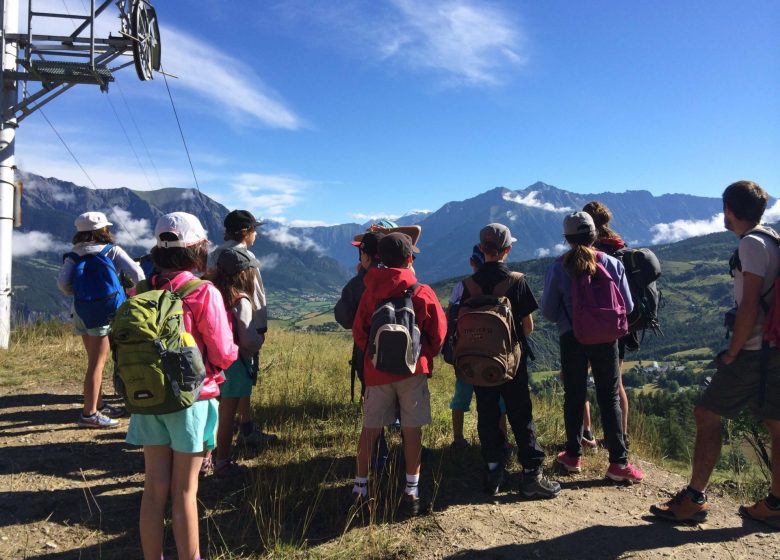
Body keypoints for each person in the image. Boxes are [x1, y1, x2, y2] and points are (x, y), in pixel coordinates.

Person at [651, 180, 780, 525]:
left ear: (728, 209)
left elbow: (749, 304)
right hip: (776, 348)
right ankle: (776, 505)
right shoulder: (774, 240)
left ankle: (693, 498)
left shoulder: (751, 244)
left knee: (706, 413)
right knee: (776, 424)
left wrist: (733, 352)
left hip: (755, 350)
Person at [125, 212, 238, 560]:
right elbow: (223, 351)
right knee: (185, 491)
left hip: (146, 399)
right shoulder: (202, 292)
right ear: (198, 248)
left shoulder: (141, 290)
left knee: (153, 489)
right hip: (191, 401)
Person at [541, 212, 644, 483]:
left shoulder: (557, 267)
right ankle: (618, 463)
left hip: (571, 337)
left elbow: (549, 311)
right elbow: (629, 307)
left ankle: (573, 455)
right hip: (606, 339)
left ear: (567, 239)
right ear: (594, 234)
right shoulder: (611, 263)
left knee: (574, 395)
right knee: (609, 396)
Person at [461, 224, 561, 498]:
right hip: (511, 361)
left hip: (479, 362)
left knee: (487, 413)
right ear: (508, 249)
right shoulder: (516, 281)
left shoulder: (467, 284)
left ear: (482, 249)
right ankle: (531, 474)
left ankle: (493, 471)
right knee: (520, 413)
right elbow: (527, 327)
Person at [351, 232, 446, 516]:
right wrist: (422, 356)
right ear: (409, 259)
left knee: (370, 430)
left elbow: (359, 332)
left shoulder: (371, 290)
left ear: (379, 258)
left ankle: (360, 489)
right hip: (412, 371)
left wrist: (374, 357)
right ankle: (411, 491)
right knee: (411, 430)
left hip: (377, 374)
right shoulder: (422, 291)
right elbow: (439, 334)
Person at [57, 211, 144, 428]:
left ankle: (99, 403)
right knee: (98, 364)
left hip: (81, 311)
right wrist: (134, 292)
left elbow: (63, 284)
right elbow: (137, 273)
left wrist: (80, 293)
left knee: (92, 360)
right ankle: (90, 414)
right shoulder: (111, 250)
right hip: (105, 313)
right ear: (102, 230)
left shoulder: (73, 255)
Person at [208, 209, 275, 447]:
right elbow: (257, 296)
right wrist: (261, 328)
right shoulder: (246, 259)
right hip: (244, 332)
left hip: (217, 332)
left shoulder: (214, 255)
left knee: (221, 386)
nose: (256, 234)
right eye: (254, 229)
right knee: (243, 378)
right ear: (246, 232)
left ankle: (234, 430)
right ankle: (241, 431)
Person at [207, 247, 265, 478]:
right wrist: (259, 339)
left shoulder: (211, 293)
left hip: (211, 363)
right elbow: (249, 338)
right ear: (244, 274)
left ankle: (203, 458)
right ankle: (222, 461)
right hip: (235, 365)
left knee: (210, 412)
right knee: (227, 417)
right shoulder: (239, 300)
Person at [581, 201, 634, 449]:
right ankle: (621, 436)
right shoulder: (619, 246)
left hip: (588, 325)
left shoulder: (589, 250)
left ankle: (586, 432)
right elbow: (628, 302)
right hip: (618, 327)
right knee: (616, 383)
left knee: (577, 378)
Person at [446, 244, 509, 450]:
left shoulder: (462, 287)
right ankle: (502, 440)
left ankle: (458, 439)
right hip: (494, 352)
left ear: (472, 262)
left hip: (466, 351)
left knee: (461, 397)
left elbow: (451, 318)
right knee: (500, 401)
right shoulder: (502, 284)